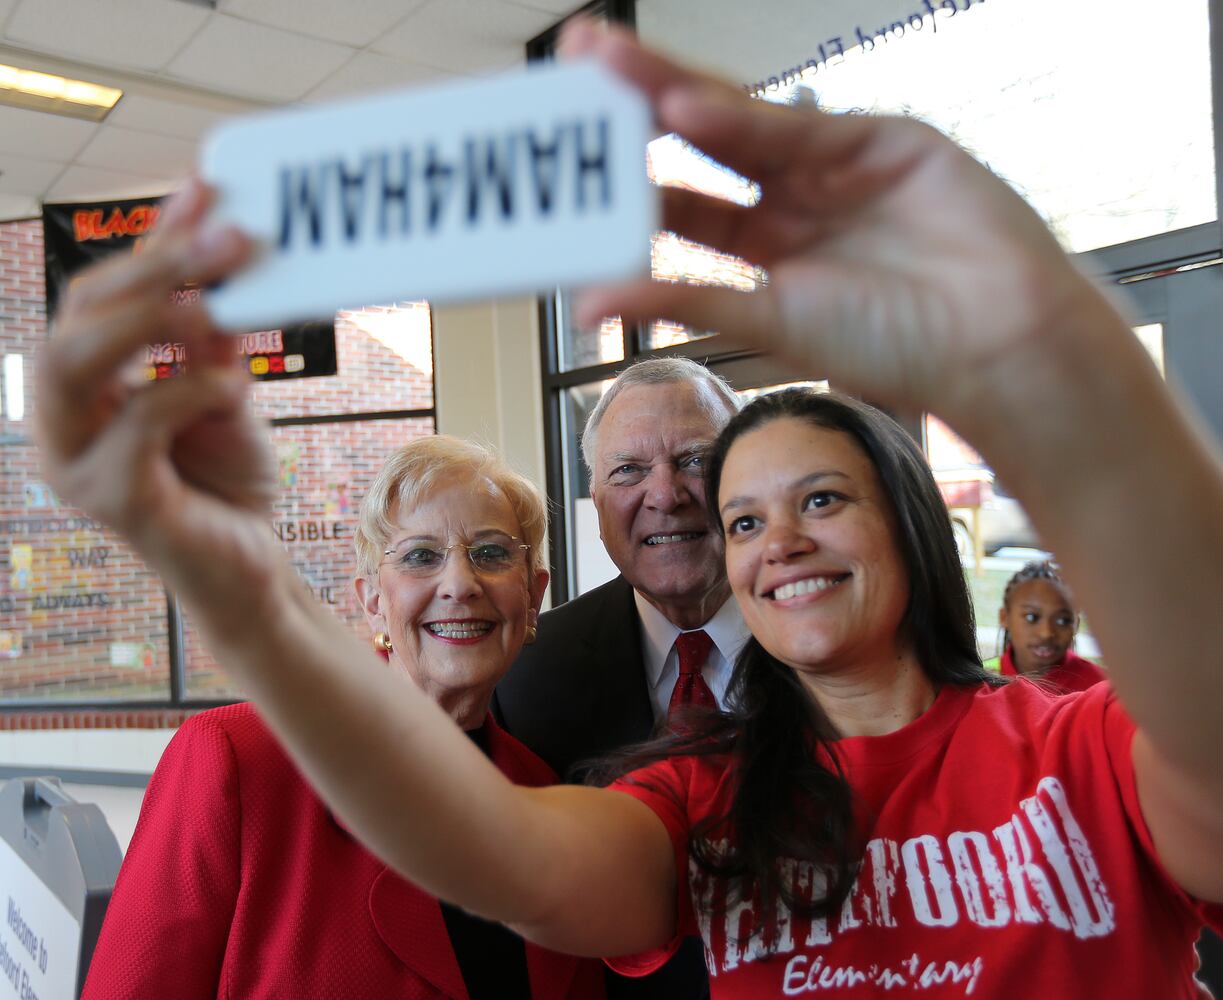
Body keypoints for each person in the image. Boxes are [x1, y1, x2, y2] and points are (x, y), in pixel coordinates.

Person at [39, 19, 1223, 999]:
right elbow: (506, 862)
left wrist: (1057, 367)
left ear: (908, 518)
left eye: (817, 498)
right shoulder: (701, 794)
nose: (775, 540)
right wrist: (247, 598)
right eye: (744, 520)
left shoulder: (1082, 747)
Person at [80, 436, 605, 1000]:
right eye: (420, 556)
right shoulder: (239, 759)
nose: (459, 584)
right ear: (373, 600)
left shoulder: (546, 799)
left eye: (492, 553)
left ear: (533, 596)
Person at [494, 357, 748, 999]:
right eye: (629, 470)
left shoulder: (831, 647)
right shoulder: (525, 675)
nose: (665, 494)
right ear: (597, 501)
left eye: (696, 459)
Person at [986, 559, 1106, 693]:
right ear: (1004, 617)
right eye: (1031, 617)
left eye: (1063, 621)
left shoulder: (1102, 687)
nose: (1046, 633)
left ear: (1076, 624)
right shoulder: (981, 683)